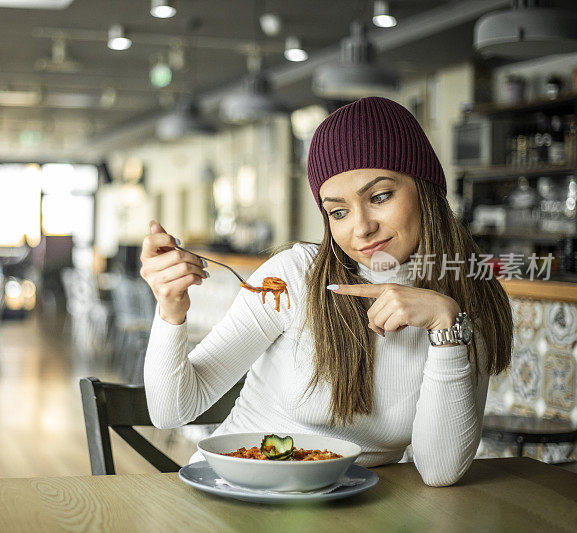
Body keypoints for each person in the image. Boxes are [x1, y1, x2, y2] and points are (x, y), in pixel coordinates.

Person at [139, 96, 512, 487]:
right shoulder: (293, 277)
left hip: (353, 510)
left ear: (426, 189)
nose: (361, 227)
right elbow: (172, 410)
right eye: (338, 211)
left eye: (380, 197)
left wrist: (444, 326)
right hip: (235, 490)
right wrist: (170, 310)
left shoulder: (470, 299)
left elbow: (440, 470)